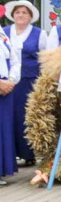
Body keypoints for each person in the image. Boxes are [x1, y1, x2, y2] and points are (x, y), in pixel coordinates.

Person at [4, 0, 47, 166]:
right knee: (10, 116)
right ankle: (11, 155)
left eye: (24, 13)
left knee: (27, 116)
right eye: (17, 12)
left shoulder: (39, 33)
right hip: (8, 82)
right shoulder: (5, 32)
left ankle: (28, 153)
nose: (20, 15)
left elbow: (44, 58)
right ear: (13, 15)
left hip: (30, 81)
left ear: (30, 16)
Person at [0, 12, 20, 184]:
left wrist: (11, 81)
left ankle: (3, 169)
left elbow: (14, 59)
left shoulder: (2, 34)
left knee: (5, 127)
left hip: (6, 86)